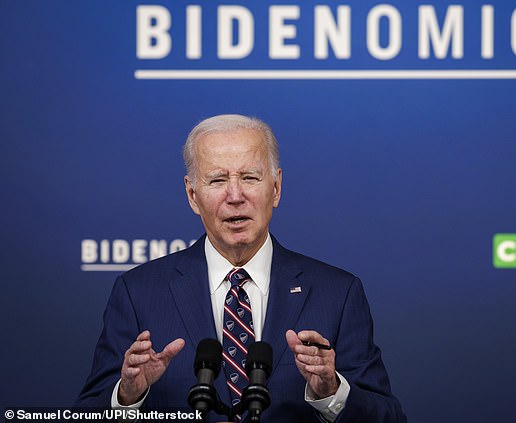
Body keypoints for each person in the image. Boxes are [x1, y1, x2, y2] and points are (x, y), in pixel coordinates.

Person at [75, 114, 406, 422]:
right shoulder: (138, 293)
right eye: (217, 180)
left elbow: (389, 417)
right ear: (192, 195)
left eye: (250, 177)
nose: (235, 195)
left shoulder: (337, 294)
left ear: (275, 188)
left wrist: (331, 392)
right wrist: (129, 396)